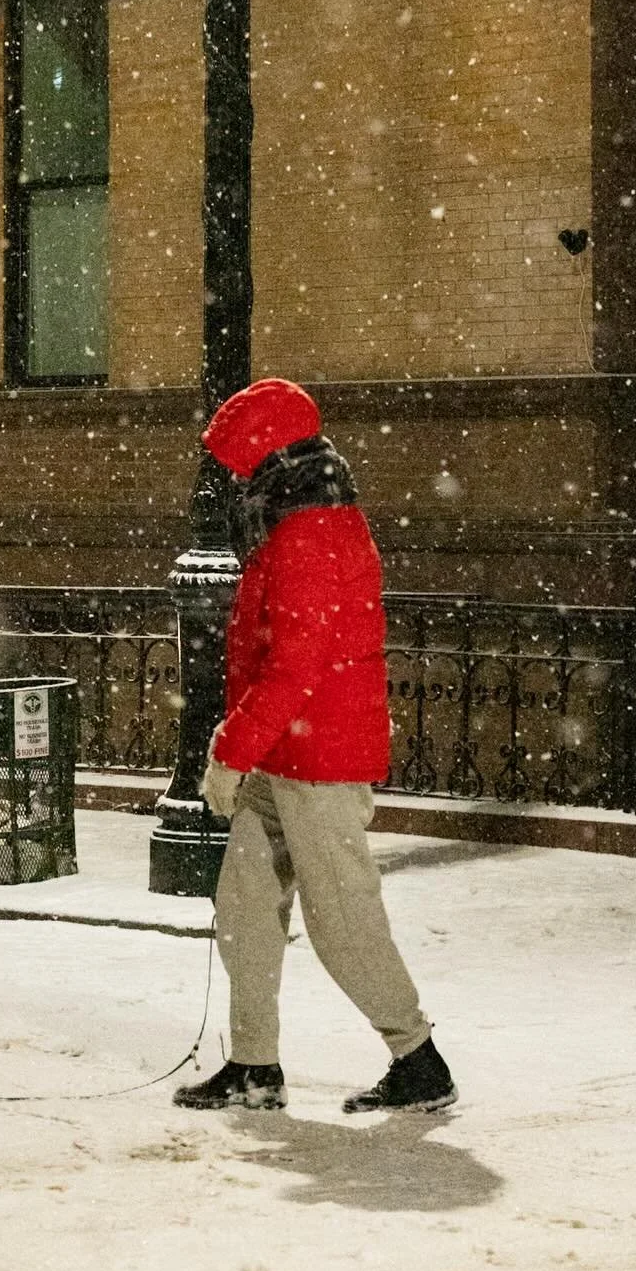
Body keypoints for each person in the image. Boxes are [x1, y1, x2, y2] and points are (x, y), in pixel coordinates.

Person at [173, 378, 456, 1115]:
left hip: (319, 757)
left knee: (342, 919)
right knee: (245, 903)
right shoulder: (293, 522)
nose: (230, 480)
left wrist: (231, 748)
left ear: (270, 459)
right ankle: (254, 1065)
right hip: (283, 752)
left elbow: (293, 666)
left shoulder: (309, 536)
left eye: (238, 466)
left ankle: (419, 1059)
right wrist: (248, 748)